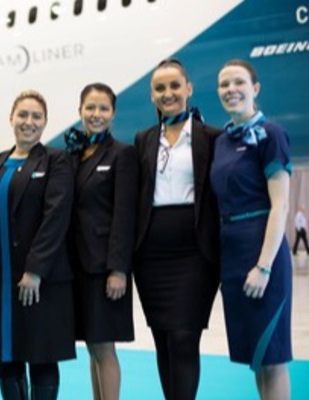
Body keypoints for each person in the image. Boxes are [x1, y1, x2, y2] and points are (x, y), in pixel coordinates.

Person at [0, 90, 75, 400]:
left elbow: (56, 218)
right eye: (23, 115)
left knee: (41, 355)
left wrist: (35, 270)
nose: (28, 122)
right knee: (7, 356)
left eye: (36, 116)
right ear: (11, 118)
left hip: (39, 280)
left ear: (45, 122)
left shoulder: (57, 161)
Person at [133, 59, 221, 400]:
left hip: (195, 254)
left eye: (174, 86)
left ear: (189, 89)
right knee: (163, 339)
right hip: (150, 257)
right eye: (160, 88)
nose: (167, 93)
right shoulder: (143, 140)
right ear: (152, 95)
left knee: (184, 337)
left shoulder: (211, 137)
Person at [210, 59, 292, 400]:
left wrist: (264, 266)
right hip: (232, 256)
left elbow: (280, 205)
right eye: (224, 84)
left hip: (262, 252)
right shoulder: (222, 141)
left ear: (255, 88)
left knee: (272, 357)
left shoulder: (271, 134)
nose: (231, 90)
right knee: (257, 358)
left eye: (239, 82)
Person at [64, 83, 138, 400]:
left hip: (105, 268)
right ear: (80, 111)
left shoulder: (122, 154)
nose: (96, 114)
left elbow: (124, 215)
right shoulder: (74, 155)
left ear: (113, 113)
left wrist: (118, 269)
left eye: (103, 108)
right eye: (90, 108)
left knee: (105, 348)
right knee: (93, 347)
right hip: (77, 265)